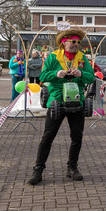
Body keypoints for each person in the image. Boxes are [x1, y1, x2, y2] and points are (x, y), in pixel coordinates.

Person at [26, 29, 95, 185]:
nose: (76, 45)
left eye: (78, 42)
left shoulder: (82, 58)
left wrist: (81, 74)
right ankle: (38, 170)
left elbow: (91, 77)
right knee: (48, 137)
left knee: (77, 136)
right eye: (73, 41)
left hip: (76, 100)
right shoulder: (53, 57)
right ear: (64, 42)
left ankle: (72, 167)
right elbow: (42, 77)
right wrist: (57, 74)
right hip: (57, 100)